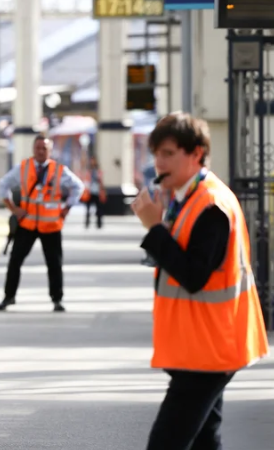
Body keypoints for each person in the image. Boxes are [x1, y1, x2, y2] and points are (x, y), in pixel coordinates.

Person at [130, 112, 269, 450]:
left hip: (210, 348)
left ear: (195, 153)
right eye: (156, 154)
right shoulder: (190, 197)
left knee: (166, 442)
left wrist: (155, 228)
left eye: (167, 153)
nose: (158, 162)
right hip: (202, 344)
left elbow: (193, 276)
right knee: (206, 440)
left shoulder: (211, 205)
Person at [0, 133, 85, 312]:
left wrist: (67, 208)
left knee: (54, 264)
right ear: (33, 149)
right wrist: (14, 209)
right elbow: (3, 185)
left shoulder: (59, 170)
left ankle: (57, 299)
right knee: (15, 261)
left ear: (50, 151)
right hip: (27, 224)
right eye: (38, 148)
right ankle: (9, 297)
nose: (40, 151)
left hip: (51, 225)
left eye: (44, 148)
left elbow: (78, 186)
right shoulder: (23, 168)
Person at [83, 155, 106, 229]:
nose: (92, 162)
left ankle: (99, 223)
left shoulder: (98, 171)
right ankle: (87, 223)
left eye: (94, 160)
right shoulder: (88, 170)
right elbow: (86, 180)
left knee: (99, 209)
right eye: (91, 160)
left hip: (97, 192)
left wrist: (102, 190)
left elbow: (101, 181)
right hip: (89, 192)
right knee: (88, 209)